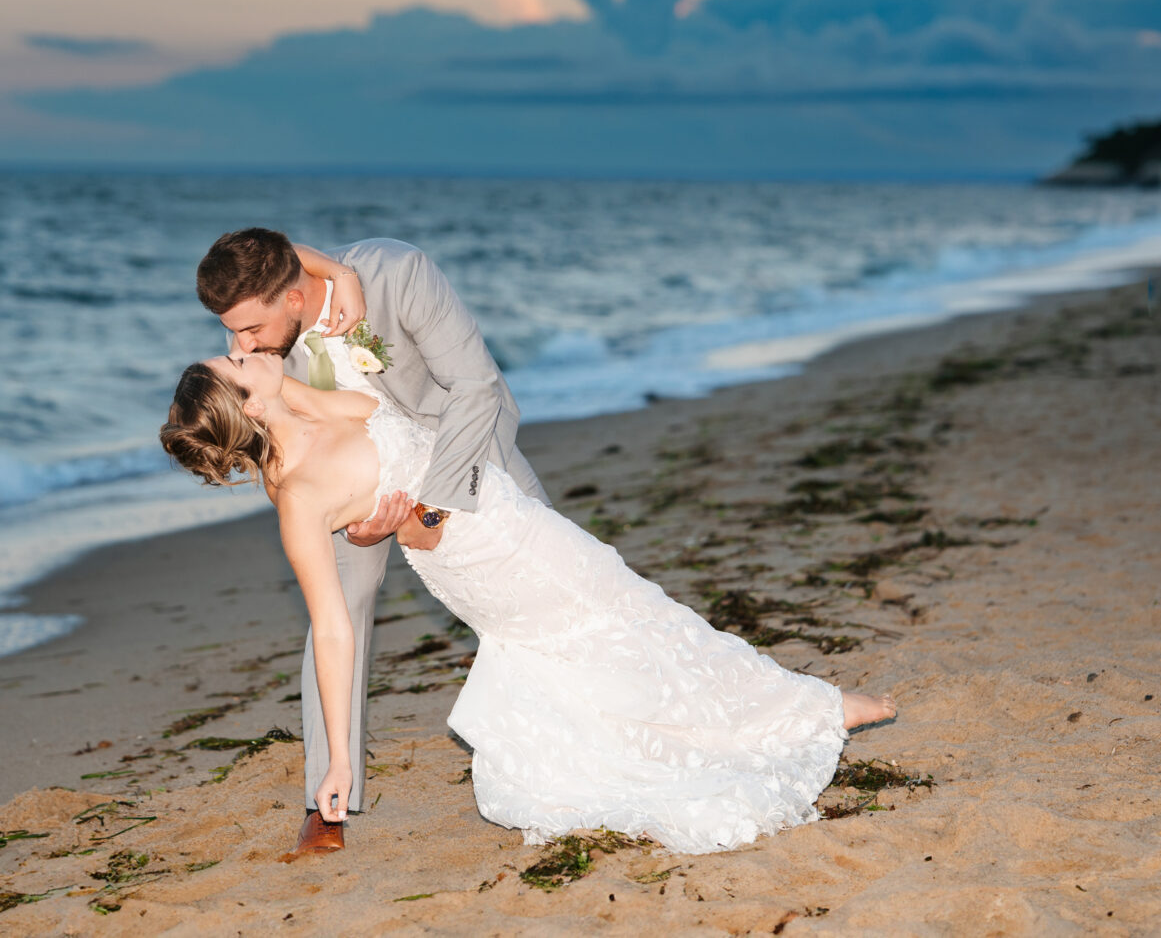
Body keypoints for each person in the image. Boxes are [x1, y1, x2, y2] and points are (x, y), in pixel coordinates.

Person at [173, 256, 897, 856]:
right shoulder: (296, 492)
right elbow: (330, 622)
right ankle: (811, 708)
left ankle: (741, 719)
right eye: (235, 357)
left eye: (240, 337)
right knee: (625, 609)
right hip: (486, 539)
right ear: (250, 406)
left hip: (475, 496)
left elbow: (403, 406)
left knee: (592, 628)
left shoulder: (321, 367)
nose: (244, 347)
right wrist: (370, 524)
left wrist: (408, 501)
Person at [195, 230, 549, 854]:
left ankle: (561, 740)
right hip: (353, 473)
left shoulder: (397, 274)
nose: (239, 345)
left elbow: (475, 387)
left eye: (250, 329)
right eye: (232, 332)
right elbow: (274, 443)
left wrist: (429, 511)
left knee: (545, 584)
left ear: (294, 298)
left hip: (457, 445)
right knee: (333, 614)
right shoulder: (258, 334)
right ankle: (325, 797)